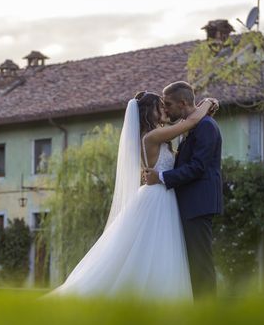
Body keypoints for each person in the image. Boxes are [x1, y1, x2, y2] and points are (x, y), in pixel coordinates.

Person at [47, 91, 217, 300]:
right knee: (155, 248)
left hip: (163, 195)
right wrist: (208, 102)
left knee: (157, 252)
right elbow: (190, 122)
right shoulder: (152, 136)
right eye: (160, 107)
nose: (164, 109)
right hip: (158, 198)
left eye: (165, 106)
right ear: (149, 113)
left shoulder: (157, 136)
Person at [144, 81, 223, 298]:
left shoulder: (205, 126)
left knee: (201, 263)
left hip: (198, 203)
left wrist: (160, 177)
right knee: (192, 262)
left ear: (183, 102)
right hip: (187, 204)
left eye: (168, 104)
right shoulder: (189, 126)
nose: (166, 109)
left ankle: (207, 315)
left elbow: (197, 167)